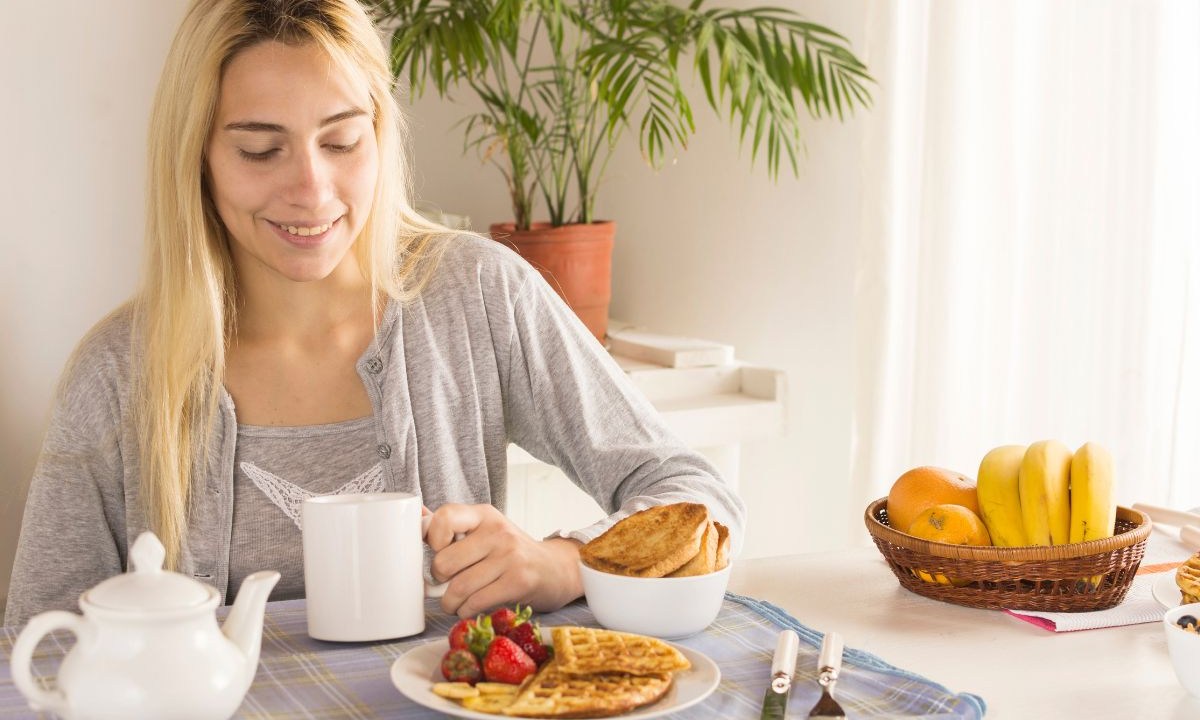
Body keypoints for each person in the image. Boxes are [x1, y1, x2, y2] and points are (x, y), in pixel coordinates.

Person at [4, 0, 744, 628]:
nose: (312, 188)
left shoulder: (476, 294)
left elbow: (695, 496)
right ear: (196, 158)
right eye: (261, 150)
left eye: (341, 141)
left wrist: (561, 563)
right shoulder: (118, 371)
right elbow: (30, 652)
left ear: (381, 133)